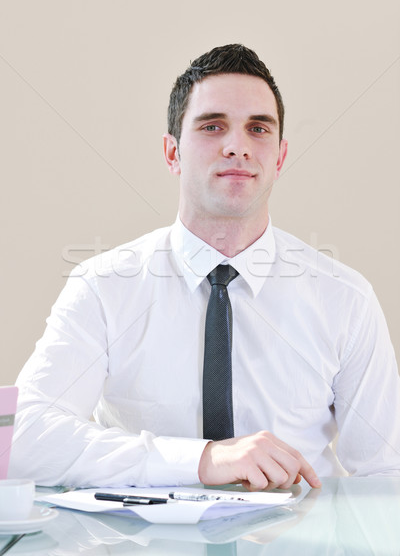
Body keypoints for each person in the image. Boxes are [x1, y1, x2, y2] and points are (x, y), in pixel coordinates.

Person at [10, 44, 400, 490]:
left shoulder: (345, 300)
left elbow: (387, 475)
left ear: (280, 156)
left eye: (258, 129)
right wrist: (200, 460)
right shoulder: (103, 289)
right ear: (172, 152)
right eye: (213, 126)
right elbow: (24, 438)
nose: (238, 147)